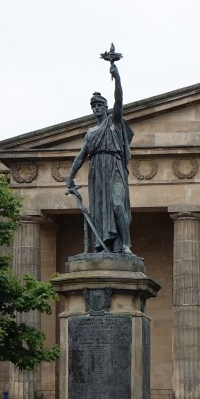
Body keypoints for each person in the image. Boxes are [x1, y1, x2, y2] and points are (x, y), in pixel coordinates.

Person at [66, 48, 134, 255]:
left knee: (117, 205)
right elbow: (81, 155)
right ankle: (105, 245)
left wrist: (117, 77)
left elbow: (119, 100)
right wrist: (70, 177)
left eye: (100, 105)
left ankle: (125, 244)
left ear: (106, 108)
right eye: (93, 106)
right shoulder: (91, 132)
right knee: (99, 212)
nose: (96, 108)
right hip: (97, 171)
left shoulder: (114, 122)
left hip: (114, 167)